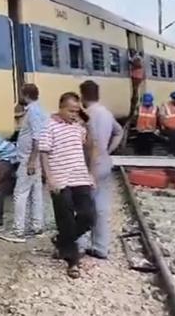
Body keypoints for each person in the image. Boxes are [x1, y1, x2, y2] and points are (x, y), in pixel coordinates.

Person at [40, 92, 96, 279]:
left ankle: (62, 240)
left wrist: (90, 174)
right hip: (60, 179)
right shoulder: (49, 125)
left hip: (80, 177)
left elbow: (88, 148)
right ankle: (73, 261)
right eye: (71, 110)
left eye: (76, 111)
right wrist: (49, 178)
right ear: (61, 107)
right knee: (66, 220)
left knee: (89, 216)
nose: (74, 114)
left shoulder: (78, 127)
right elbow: (44, 154)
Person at [77, 80, 123, 260]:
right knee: (101, 207)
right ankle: (100, 247)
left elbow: (85, 143)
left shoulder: (85, 115)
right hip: (104, 162)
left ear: (82, 95)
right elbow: (119, 132)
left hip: (88, 164)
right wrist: (109, 150)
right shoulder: (106, 113)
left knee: (82, 205)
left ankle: (80, 244)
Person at [2, 83, 48, 243]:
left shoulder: (34, 112)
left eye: (20, 94)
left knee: (20, 194)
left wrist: (31, 161)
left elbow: (37, 138)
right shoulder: (39, 109)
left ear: (26, 95)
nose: (19, 98)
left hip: (28, 159)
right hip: (33, 159)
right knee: (36, 193)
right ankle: (37, 227)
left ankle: (18, 231)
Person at [161, 91, 175, 156]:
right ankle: (171, 153)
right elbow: (162, 116)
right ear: (173, 99)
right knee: (173, 140)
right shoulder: (166, 105)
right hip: (170, 128)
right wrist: (164, 126)